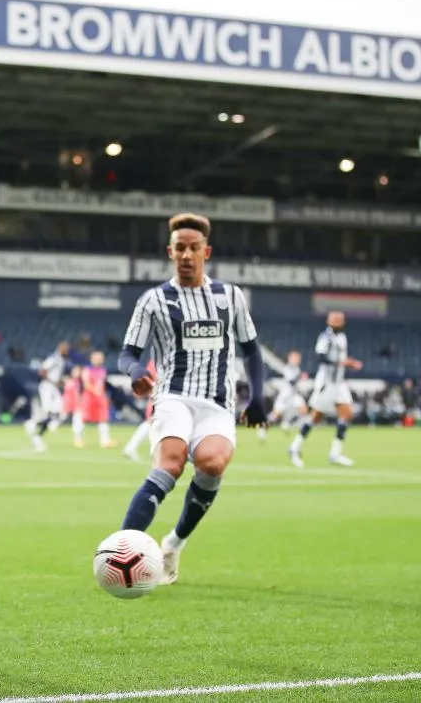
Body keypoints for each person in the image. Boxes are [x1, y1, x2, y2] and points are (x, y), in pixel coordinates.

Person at [117, 213, 267, 585]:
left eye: (193, 248)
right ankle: (122, 550)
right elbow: (128, 353)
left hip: (217, 402)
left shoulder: (230, 296)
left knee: (213, 464)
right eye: (179, 248)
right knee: (170, 465)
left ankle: (173, 543)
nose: (186, 254)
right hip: (173, 397)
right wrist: (136, 373)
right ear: (170, 252)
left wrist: (259, 396)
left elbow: (251, 351)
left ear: (206, 251)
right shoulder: (154, 300)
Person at [288, 311, 362, 468]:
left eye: (340, 320)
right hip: (327, 383)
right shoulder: (325, 338)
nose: (338, 322)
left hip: (339, 383)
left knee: (347, 414)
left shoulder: (342, 338)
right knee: (315, 417)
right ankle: (295, 447)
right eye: (335, 320)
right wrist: (342, 362)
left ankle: (335, 453)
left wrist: (345, 362)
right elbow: (320, 357)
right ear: (329, 322)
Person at [27, 341, 69, 452]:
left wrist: (59, 382)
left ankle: (35, 426)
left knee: (60, 410)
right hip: (47, 387)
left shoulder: (60, 359)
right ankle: (35, 429)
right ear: (60, 348)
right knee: (51, 411)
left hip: (53, 388)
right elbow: (42, 371)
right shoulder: (54, 358)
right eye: (65, 348)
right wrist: (53, 382)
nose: (67, 350)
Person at [259, 350, 307, 442]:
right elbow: (291, 381)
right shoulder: (288, 368)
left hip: (293, 394)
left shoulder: (296, 369)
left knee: (304, 410)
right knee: (275, 415)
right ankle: (263, 427)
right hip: (286, 395)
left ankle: (287, 424)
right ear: (290, 359)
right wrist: (300, 377)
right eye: (296, 358)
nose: (298, 360)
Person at [122, 359, 157, 462]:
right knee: (151, 423)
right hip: (160, 397)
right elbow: (149, 378)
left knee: (153, 424)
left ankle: (131, 448)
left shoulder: (155, 359)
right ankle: (131, 447)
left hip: (161, 396)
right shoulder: (156, 360)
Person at [80, 351, 115, 448]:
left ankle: (105, 441)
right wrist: (95, 391)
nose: (99, 360)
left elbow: (102, 385)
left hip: (100, 398)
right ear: (92, 359)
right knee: (83, 419)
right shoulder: (87, 370)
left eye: (101, 358)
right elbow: (86, 384)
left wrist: (104, 396)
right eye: (97, 358)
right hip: (89, 398)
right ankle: (78, 439)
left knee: (103, 419)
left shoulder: (103, 370)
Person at [62, 365, 85, 447]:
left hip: (76, 406)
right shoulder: (71, 382)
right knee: (76, 422)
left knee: (78, 422)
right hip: (71, 405)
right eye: (76, 371)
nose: (78, 373)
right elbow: (70, 395)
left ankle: (78, 440)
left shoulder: (78, 382)